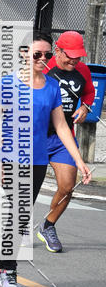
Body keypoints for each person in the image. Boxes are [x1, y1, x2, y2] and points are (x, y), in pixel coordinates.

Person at [0, 33, 92, 287]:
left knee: (20, 216)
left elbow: (61, 126)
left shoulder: (51, 87)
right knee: (16, 215)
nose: (42, 59)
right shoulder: (8, 84)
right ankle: (9, 273)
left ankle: (1, 270)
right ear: (24, 54)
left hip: (37, 160)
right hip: (11, 157)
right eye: (37, 54)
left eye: (46, 54)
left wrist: (79, 161)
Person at [37, 31, 95, 252]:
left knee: (67, 186)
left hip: (63, 138)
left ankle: (48, 226)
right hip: (38, 137)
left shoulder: (82, 70)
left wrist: (85, 107)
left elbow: (89, 92)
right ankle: (18, 228)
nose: (74, 61)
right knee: (26, 188)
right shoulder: (43, 69)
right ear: (58, 51)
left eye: (78, 56)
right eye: (70, 56)